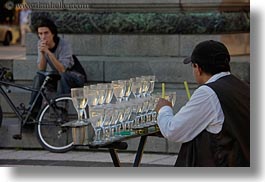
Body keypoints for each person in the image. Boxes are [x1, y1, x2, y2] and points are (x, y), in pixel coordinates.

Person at [155, 40, 250, 167]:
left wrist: (164, 109)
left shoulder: (208, 93)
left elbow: (173, 130)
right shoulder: (241, 86)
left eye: (193, 66)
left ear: (198, 68)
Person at [29, 18, 86, 115]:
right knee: (39, 76)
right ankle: (33, 111)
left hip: (75, 76)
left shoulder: (64, 44)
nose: (43, 37)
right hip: (59, 76)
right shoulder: (40, 44)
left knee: (63, 75)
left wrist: (48, 52)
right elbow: (41, 68)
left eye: (46, 33)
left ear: (53, 33)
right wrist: (43, 53)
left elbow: (62, 69)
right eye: (40, 34)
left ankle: (61, 109)